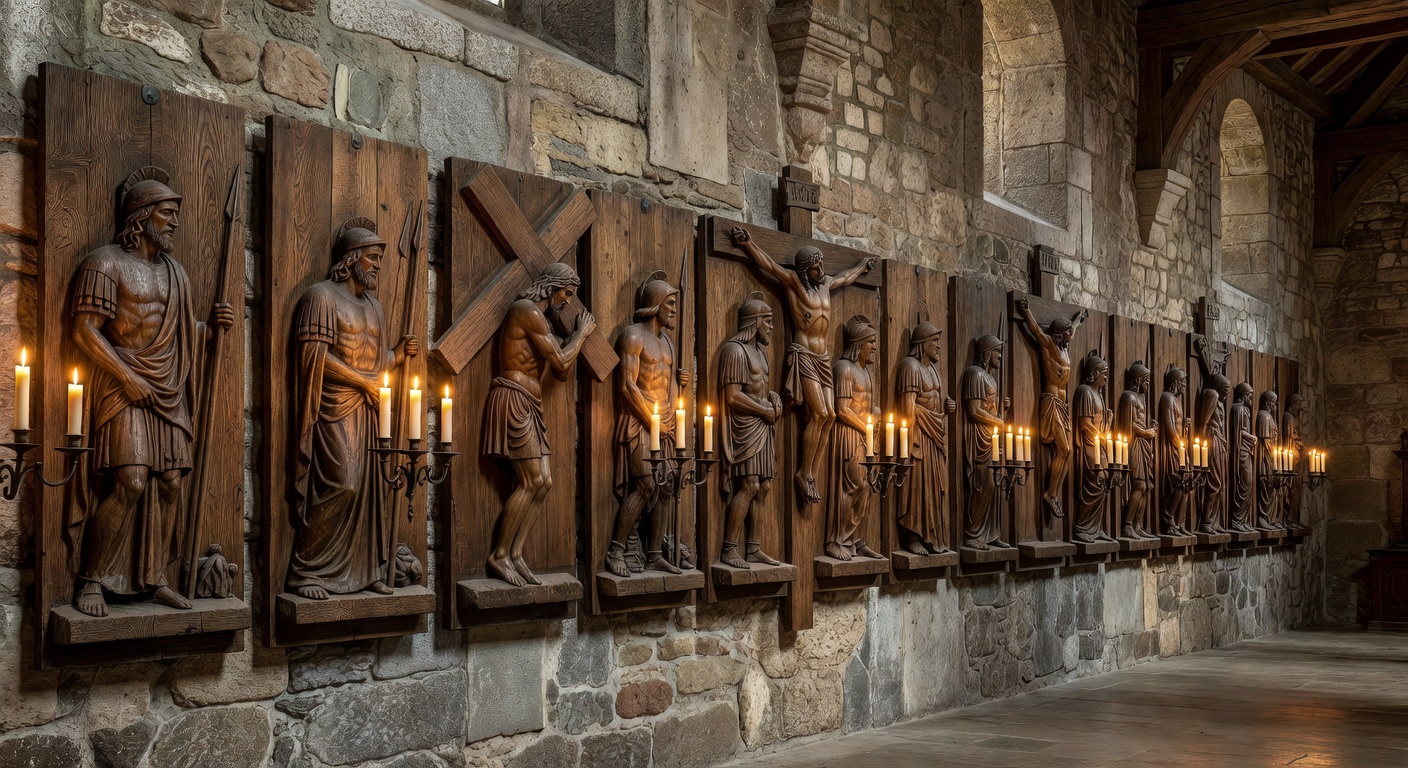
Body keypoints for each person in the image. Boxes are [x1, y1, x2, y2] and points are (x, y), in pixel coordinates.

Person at [67, 167, 235, 617]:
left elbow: (178, 332)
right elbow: (84, 331)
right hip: (123, 385)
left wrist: (209, 330)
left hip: (168, 385)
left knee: (170, 483)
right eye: (166, 213)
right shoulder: (104, 263)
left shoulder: (176, 273)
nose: (175, 223)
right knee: (131, 481)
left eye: (176, 214)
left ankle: (155, 577)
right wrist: (126, 376)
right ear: (141, 217)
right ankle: (91, 580)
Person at [287, 218, 417, 601]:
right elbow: (315, 356)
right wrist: (363, 383)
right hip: (334, 408)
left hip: (369, 410)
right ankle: (307, 570)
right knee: (343, 484)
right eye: (372, 258)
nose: (377, 266)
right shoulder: (321, 297)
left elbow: (374, 364)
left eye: (380, 260)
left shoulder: (375, 308)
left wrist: (397, 355)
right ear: (351, 259)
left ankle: (364, 571)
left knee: (372, 491)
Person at [729, 227, 874, 505]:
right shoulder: (795, 283)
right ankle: (803, 471)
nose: (821, 269)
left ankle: (811, 474)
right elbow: (769, 265)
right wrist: (748, 244)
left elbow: (846, 277)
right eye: (816, 266)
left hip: (823, 358)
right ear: (805, 270)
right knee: (819, 413)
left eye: (822, 264)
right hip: (804, 354)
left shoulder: (826, 284)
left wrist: (861, 266)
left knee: (831, 415)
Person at [483, 263, 597, 587]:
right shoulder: (527, 311)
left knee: (544, 482)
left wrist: (568, 338)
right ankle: (499, 555)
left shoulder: (543, 321)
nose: (567, 301)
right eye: (566, 293)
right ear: (551, 287)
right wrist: (580, 334)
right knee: (532, 480)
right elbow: (560, 360)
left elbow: (560, 372)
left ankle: (516, 553)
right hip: (514, 398)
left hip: (531, 403)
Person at [606, 273, 691, 577]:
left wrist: (680, 390)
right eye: (670, 304)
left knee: (667, 486)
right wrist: (652, 421)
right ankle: (616, 550)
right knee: (645, 485)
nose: (674, 311)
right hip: (639, 420)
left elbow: (668, 387)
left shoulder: (668, 343)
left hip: (664, 421)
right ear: (655, 305)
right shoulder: (632, 336)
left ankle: (654, 554)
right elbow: (628, 386)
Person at [718, 293, 784, 569]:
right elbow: (733, 396)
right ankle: (729, 549)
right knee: (749, 484)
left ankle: (753, 547)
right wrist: (764, 410)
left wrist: (772, 398)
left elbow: (757, 388)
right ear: (755, 322)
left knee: (764, 486)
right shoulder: (735, 351)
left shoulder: (760, 353)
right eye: (767, 322)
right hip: (745, 426)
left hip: (763, 425)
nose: (771, 327)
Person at [1014, 298, 1086, 520]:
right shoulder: (1048, 345)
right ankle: (1050, 493)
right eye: (1067, 333)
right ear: (1059, 334)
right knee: (1064, 450)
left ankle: (1053, 493)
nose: (1070, 336)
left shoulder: (1065, 348)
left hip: (1062, 405)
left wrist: (1078, 320)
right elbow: (1035, 330)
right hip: (1051, 401)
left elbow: (1074, 329)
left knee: (1066, 452)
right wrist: (1026, 311)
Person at [825, 316, 883, 560]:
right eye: (871, 342)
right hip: (848, 433)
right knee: (850, 486)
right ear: (859, 344)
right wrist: (866, 428)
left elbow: (869, 406)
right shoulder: (844, 369)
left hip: (866, 434)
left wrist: (876, 418)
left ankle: (857, 540)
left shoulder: (866, 372)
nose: (875, 347)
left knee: (867, 485)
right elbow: (842, 409)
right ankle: (837, 540)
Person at [895, 320, 956, 555]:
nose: (938, 346)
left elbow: (933, 405)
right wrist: (909, 444)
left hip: (935, 435)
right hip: (918, 435)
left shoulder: (933, 370)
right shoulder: (910, 366)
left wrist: (946, 410)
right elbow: (908, 408)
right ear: (922, 343)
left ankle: (932, 536)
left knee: (934, 487)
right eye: (935, 341)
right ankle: (913, 536)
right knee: (917, 485)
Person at [960, 335, 1012, 550]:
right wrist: (998, 421)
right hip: (979, 439)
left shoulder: (991, 378)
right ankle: (973, 534)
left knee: (996, 483)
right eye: (997, 351)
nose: (999, 355)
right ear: (986, 352)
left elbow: (991, 411)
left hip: (991, 437)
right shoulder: (974, 374)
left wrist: (1002, 412)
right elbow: (974, 411)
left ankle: (991, 534)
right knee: (983, 484)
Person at [1072, 352, 1115, 543]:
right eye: (1103, 373)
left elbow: (1101, 426)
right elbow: (1085, 424)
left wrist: (1109, 423)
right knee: (1092, 484)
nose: (1105, 377)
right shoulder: (1085, 392)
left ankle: (1096, 528)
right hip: (1089, 446)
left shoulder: (1099, 395)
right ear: (1095, 373)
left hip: (1100, 446)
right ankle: (1082, 527)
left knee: (1103, 484)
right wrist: (1102, 438)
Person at [1115, 361, 1157, 539]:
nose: (1147, 384)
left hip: (1144, 444)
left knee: (1148, 486)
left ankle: (1138, 525)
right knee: (1139, 485)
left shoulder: (1141, 398)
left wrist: (1151, 430)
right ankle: (1127, 525)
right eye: (1145, 380)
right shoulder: (1129, 397)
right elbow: (1129, 424)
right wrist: (1147, 432)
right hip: (1135, 445)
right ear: (1138, 380)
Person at [1195, 373, 1233, 535]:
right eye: (1225, 389)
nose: (1226, 394)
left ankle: (1214, 521)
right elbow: (1204, 422)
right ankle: (1206, 522)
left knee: (1221, 485)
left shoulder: (1220, 400)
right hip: (1212, 442)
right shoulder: (1212, 394)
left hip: (1220, 442)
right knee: (1214, 484)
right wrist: (1200, 449)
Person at [1158, 365, 1193, 537]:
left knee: (1187, 485)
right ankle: (1168, 518)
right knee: (1178, 483)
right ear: (1175, 382)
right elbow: (1170, 427)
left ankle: (1179, 522)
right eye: (1183, 382)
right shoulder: (1167, 398)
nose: (1185, 386)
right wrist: (1180, 447)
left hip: (1180, 446)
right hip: (1173, 448)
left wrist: (1185, 429)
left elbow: (1178, 427)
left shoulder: (1177, 400)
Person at [1227, 383, 1257, 532]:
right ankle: (1237, 519)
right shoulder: (1239, 409)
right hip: (1241, 451)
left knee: (1249, 484)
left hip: (1247, 450)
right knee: (1245, 483)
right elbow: (1240, 432)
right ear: (1244, 395)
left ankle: (1243, 520)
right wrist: (1252, 437)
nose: (1251, 398)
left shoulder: (1245, 409)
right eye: (1250, 395)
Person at [1255, 390, 1281, 531]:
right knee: (1266, 485)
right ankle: (1263, 517)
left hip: (1272, 455)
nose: (1274, 406)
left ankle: (1272, 517)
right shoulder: (1264, 416)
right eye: (1273, 403)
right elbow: (1266, 440)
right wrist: (1272, 458)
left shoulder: (1270, 417)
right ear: (1267, 403)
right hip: (1266, 456)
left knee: (1274, 486)